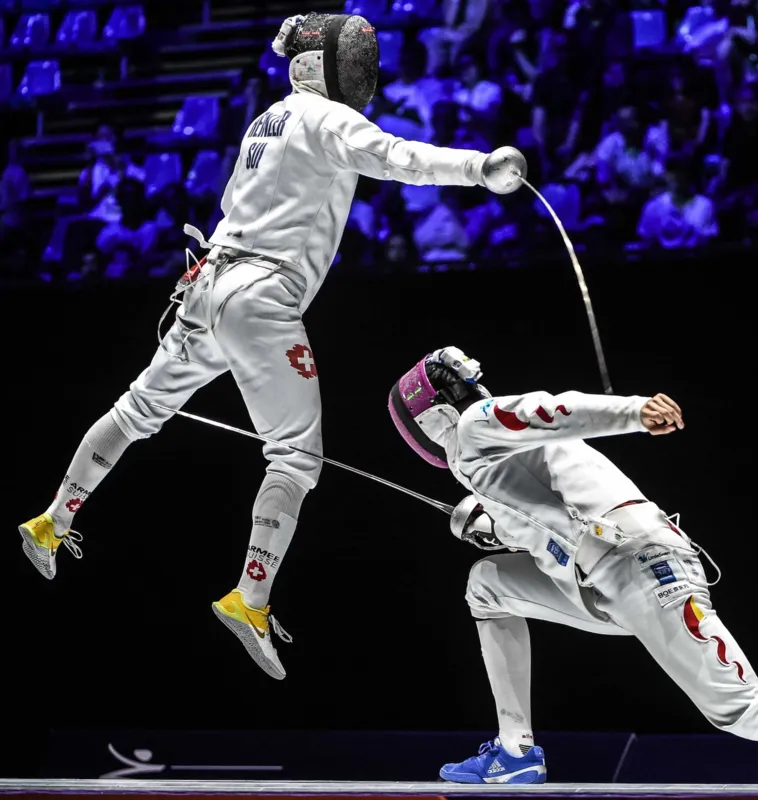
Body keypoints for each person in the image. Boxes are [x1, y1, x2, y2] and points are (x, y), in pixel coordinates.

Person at [17, 13, 527, 682]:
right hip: (261, 295)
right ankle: (249, 599)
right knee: (295, 457)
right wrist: (480, 168)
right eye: (357, 62)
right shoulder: (327, 119)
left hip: (209, 284)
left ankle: (52, 520)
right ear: (331, 67)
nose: (365, 74)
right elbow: (399, 158)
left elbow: (233, 204)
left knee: (138, 409)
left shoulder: (267, 119)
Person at [387, 347, 758, 786]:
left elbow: (551, 408)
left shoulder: (477, 425)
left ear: (431, 415)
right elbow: (551, 521)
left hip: (644, 568)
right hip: (604, 581)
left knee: (751, 714)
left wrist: (633, 412)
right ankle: (516, 752)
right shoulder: (492, 459)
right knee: (487, 585)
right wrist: (490, 525)